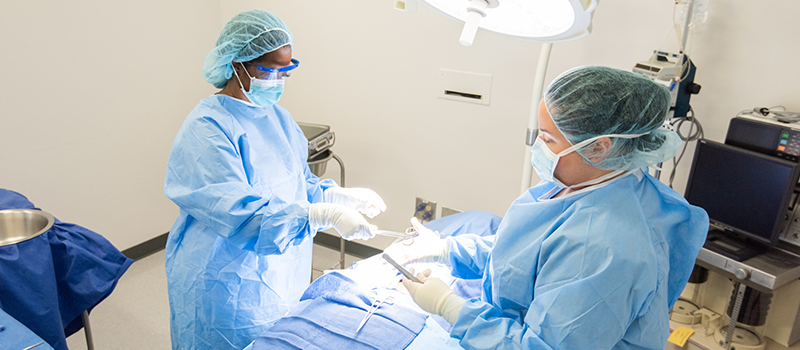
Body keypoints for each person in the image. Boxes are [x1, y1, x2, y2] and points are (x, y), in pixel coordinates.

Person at [387, 66, 709, 349]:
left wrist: (450, 307)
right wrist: (447, 249)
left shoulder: (602, 248)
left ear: (599, 147)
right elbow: (526, 258)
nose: (537, 145)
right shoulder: (593, 179)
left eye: (547, 138)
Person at [164, 9, 386, 350]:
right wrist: (320, 215)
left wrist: (338, 198)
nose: (277, 79)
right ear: (237, 64)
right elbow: (241, 214)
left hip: (280, 272)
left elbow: (298, 184)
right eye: (268, 69)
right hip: (222, 279)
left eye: (286, 70)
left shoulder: (279, 119)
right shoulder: (207, 129)